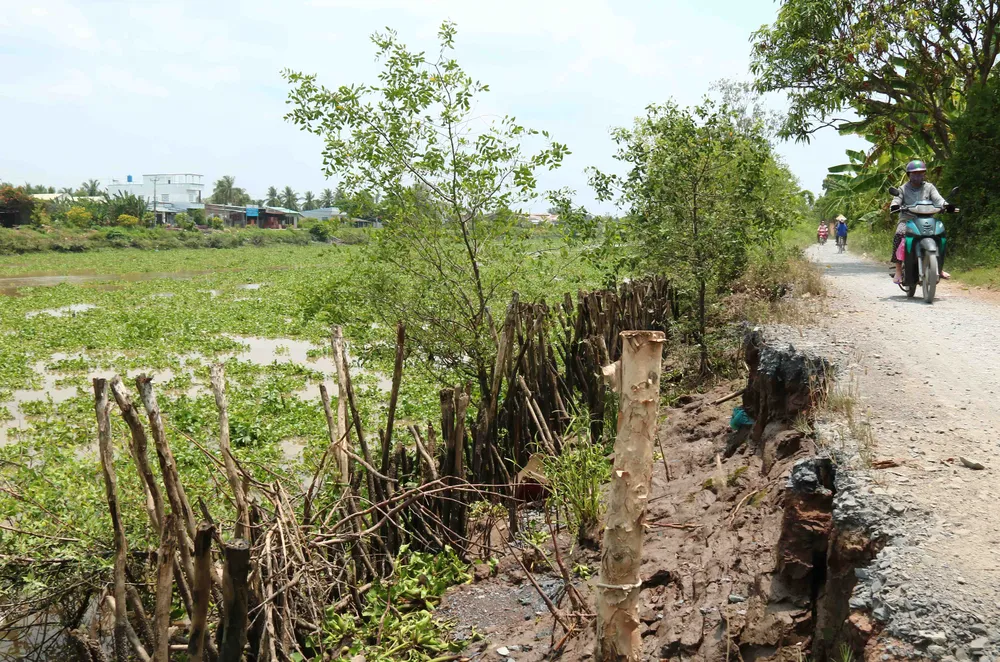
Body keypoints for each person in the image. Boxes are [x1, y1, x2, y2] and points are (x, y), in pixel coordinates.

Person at [890, 160, 951, 283]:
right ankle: (898, 270)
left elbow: (939, 199)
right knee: (899, 235)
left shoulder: (929, 187)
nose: (917, 176)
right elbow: (896, 199)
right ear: (909, 175)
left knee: (941, 236)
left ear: (924, 174)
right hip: (907, 220)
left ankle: (939, 268)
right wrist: (895, 205)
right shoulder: (903, 189)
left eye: (920, 173)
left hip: (928, 219)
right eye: (914, 173)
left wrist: (946, 205)